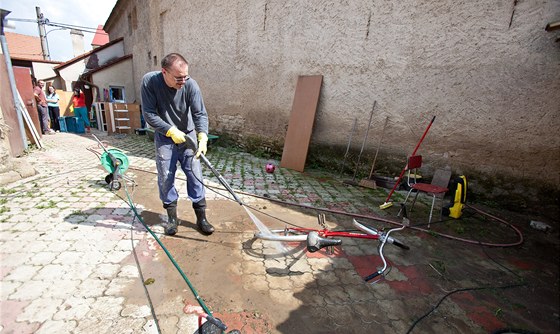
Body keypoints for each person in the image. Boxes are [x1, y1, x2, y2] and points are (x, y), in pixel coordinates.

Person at [141, 53, 213, 236]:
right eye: (178, 78)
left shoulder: (190, 85)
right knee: (166, 177)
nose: (183, 82)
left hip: (188, 136)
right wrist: (170, 130)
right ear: (164, 72)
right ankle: (172, 219)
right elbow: (149, 114)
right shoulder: (150, 82)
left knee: (195, 175)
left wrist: (202, 136)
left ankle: (201, 218)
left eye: (185, 77)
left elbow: (200, 114)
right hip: (166, 137)